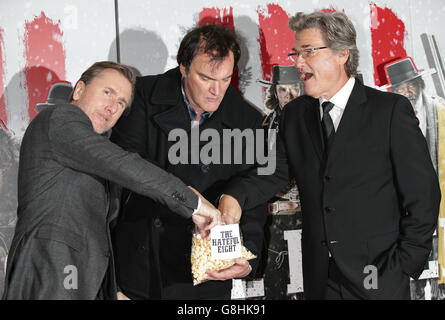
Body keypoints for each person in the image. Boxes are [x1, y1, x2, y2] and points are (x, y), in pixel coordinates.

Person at [221, 11, 441, 299]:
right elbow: (272, 172)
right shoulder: (294, 115)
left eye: (308, 52)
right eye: (296, 53)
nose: (298, 62)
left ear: (342, 54)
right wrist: (234, 196)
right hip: (319, 280)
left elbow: (423, 195)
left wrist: (401, 266)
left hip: (378, 278)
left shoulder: (389, 112)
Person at [2, 61, 220, 300]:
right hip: (51, 271)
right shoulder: (60, 118)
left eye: (121, 103)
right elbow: (126, 165)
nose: (112, 108)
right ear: (79, 90)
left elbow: (94, 232)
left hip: (79, 280)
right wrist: (193, 203)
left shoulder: (92, 154)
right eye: (108, 93)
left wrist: (111, 291)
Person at [110, 24, 267, 300]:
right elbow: (125, 168)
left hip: (205, 278)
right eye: (206, 78)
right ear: (183, 67)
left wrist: (247, 261)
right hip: (142, 266)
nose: (216, 91)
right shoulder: (143, 96)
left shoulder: (248, 121)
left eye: (226, 79)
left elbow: (253, 195)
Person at [385, 57, 445, 299]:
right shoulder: (389, 117)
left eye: (410, 85)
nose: (406, 91)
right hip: (405, 207)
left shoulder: (439, 113)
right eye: (400, 88)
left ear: (419, 85)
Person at [256, 65, 304, 298]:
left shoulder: (314, 118)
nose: (288, 95)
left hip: (308, 212)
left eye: (293, 88)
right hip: (276, 215)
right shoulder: (265, 125)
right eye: (282, 89)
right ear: (274, 92)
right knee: (275, 281)